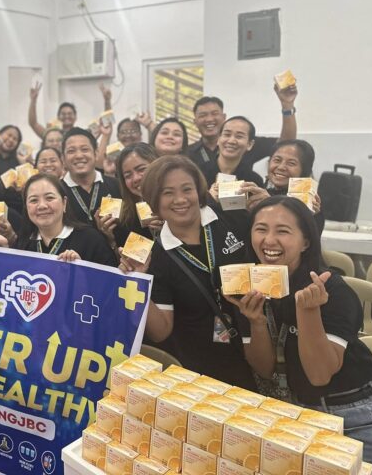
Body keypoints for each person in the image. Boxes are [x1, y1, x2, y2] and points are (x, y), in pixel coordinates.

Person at [230, 197, 372, 472]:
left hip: (356, 415)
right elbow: (265, 368)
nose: (269, 240)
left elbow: (319, 374)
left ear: (305, 242)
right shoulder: (250, 286)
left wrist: (308, 313)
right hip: (299, 413)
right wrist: (255, 321)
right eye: (260, 229)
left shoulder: (331, 290)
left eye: (283, 231)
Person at [121, 155, 257, 389]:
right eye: (168, 193)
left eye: (187, 189)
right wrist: (137, 281)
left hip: (255, 351)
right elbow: (161, 331)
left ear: (198, 190)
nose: (180, 200)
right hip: (198, 370)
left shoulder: (228, 216)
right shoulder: (157, 256)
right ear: (154, 201)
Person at [187, 80, 298, 167]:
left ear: (224, 117)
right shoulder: (187, 154)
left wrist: (287, 105)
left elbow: (285, 144)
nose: (209, 119)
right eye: (203, 115)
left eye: (214, 113)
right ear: (195, 122)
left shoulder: (243, 143)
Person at [17, 173, 117, 266]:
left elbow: (110, 281)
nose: (42, 206)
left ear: (64, 203)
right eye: (34, 200)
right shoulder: (22, 244)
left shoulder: (91, 240)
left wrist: (83, 269)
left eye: (50, 198)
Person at [98, 143, 160, 250]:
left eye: (141, 169)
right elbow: (133, 261)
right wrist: (110, 238)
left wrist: (168, 230)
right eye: (128, 175)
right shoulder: (125, 217)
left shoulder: (177, 204)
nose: (135, 178)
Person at [61, 128, 121, 227]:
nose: (79, 155)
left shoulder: (116, 186)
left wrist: (112, 240)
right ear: (63, 159)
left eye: (85, 149)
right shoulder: (57, 192)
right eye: (71, 151)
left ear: (96, 154)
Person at [28, 81, 112, 138]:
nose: (66, 116)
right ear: (58, 117)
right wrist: (33, 101)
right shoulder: (52, 136)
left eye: (70, 113)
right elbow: (33, 123)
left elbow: (106, 124)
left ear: (75, 117)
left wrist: (107, 101)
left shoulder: (83, 133)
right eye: (63, 114)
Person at [199, 116, 265, 187]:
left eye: (239, 136)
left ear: (250, 144)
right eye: (227, 135)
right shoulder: (198, 173)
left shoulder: (254, 181)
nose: (231, 141)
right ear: (218, 139)